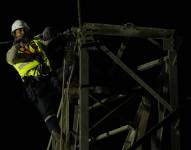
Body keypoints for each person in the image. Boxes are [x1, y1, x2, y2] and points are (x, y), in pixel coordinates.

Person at [6, 19, 65, 142]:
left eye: (22, 29)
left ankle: (75, 90)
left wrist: (51, 32)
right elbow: (11, 58)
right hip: (35, 84)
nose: (21, 32)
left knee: (66, 78)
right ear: (14, 34)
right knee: (47, 110)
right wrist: (18, 44)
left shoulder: (36, 41)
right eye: (17, 31)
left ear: (27, 30)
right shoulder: (13, 52)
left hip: (49, 77)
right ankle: (58, 136)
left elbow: (48, 39)